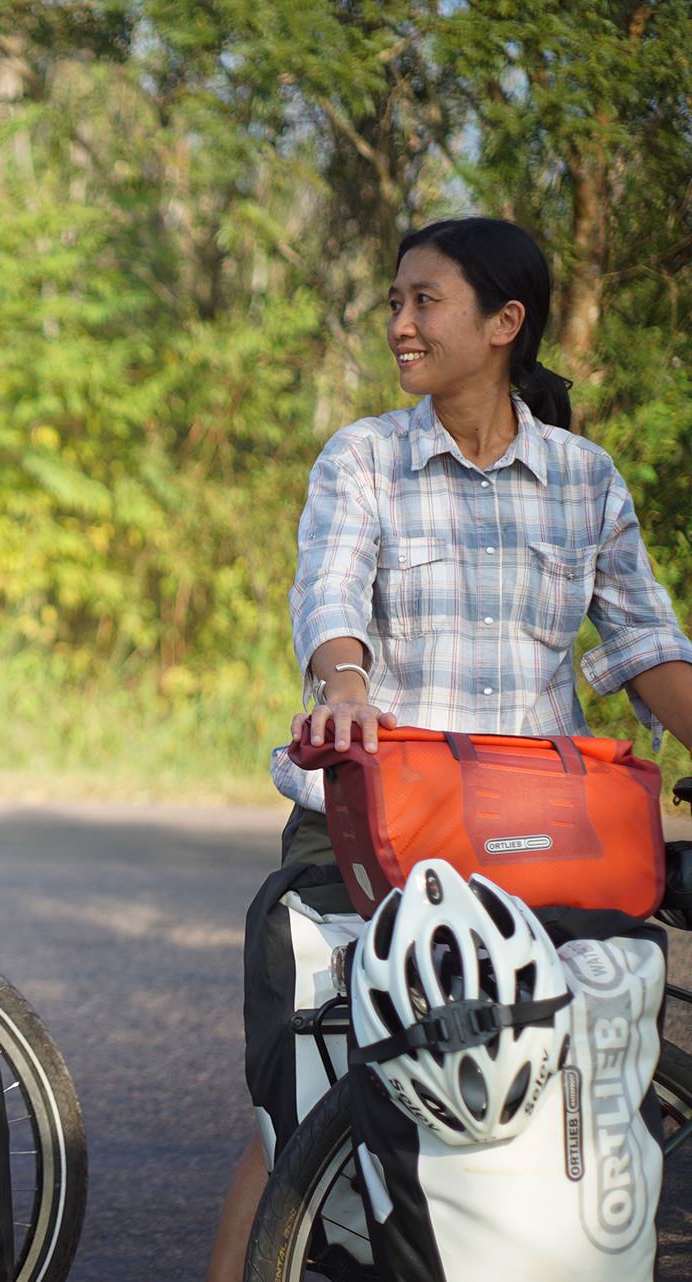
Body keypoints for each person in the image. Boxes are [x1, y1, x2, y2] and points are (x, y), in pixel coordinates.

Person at [203, 216, 692, 1282]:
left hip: (537, 838)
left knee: (567, 1082)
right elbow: (330, 593)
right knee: (306, 1101)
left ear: (504, 323)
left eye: (424, 300)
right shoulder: (366, 457)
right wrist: (343, 685)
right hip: (377, 823)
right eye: (395, 302)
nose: (400, 323)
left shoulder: (584, 478)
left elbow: (648, 645)